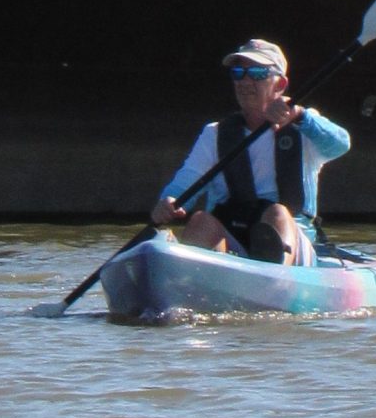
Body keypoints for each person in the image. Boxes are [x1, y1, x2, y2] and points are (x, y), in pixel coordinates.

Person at [148, 39, 351, 266]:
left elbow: (340, 144)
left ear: (280, 84)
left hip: (293, 243)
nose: (245, 81)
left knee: (276, 214)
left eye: (256, 72)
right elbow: (185, 182)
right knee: (200, 220)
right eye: (238, 73)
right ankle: (195, 282)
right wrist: (169, 202)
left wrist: (301, 116)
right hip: (234, 233)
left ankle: (274, 280)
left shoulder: (304, 126)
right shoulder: (215, 133)